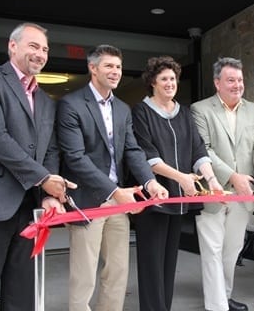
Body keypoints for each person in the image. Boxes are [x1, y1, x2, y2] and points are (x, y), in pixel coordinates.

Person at [0, 22, 74, 311]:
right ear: (12, 46)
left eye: (45, 49)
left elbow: (50, 149)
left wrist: (48, 194)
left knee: (23, 297)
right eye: (34, 46)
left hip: (28, 210)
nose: (41, 54)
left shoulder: (45, 100)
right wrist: (43, 178)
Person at [57, 44, 168, 311]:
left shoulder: (122, 109)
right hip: (87, 200)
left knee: (117, 272)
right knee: (84, 276)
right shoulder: (70, 104)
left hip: (118, 201)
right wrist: (113, 191)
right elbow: (75, 157)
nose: (115, 71)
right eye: (108, 66)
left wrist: (151, 182)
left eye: (118, 66)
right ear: (92, 68)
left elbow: (132, 150)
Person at [191, 57, 254, 311]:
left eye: (240, 80)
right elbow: (204, 150)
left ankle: (225, 296)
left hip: (243, 196)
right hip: (213, 190)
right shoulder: (200, 110)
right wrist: (233, 177)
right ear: (217, 83)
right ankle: (217, 306)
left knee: (231, 250)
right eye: (231, 80)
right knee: (212, 250)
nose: (237, 85)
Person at [131, 55, 223, 311]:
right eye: (164, 79)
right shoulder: (141, 112)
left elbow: (197, 149)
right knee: (151, 264)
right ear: (152, 82)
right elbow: (147, 155)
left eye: (173, 78)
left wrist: (212, 180)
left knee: (169, 262)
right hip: (155, 198)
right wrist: (181, 178)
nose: (170, 83)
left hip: (179, 201)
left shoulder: (184, 112)